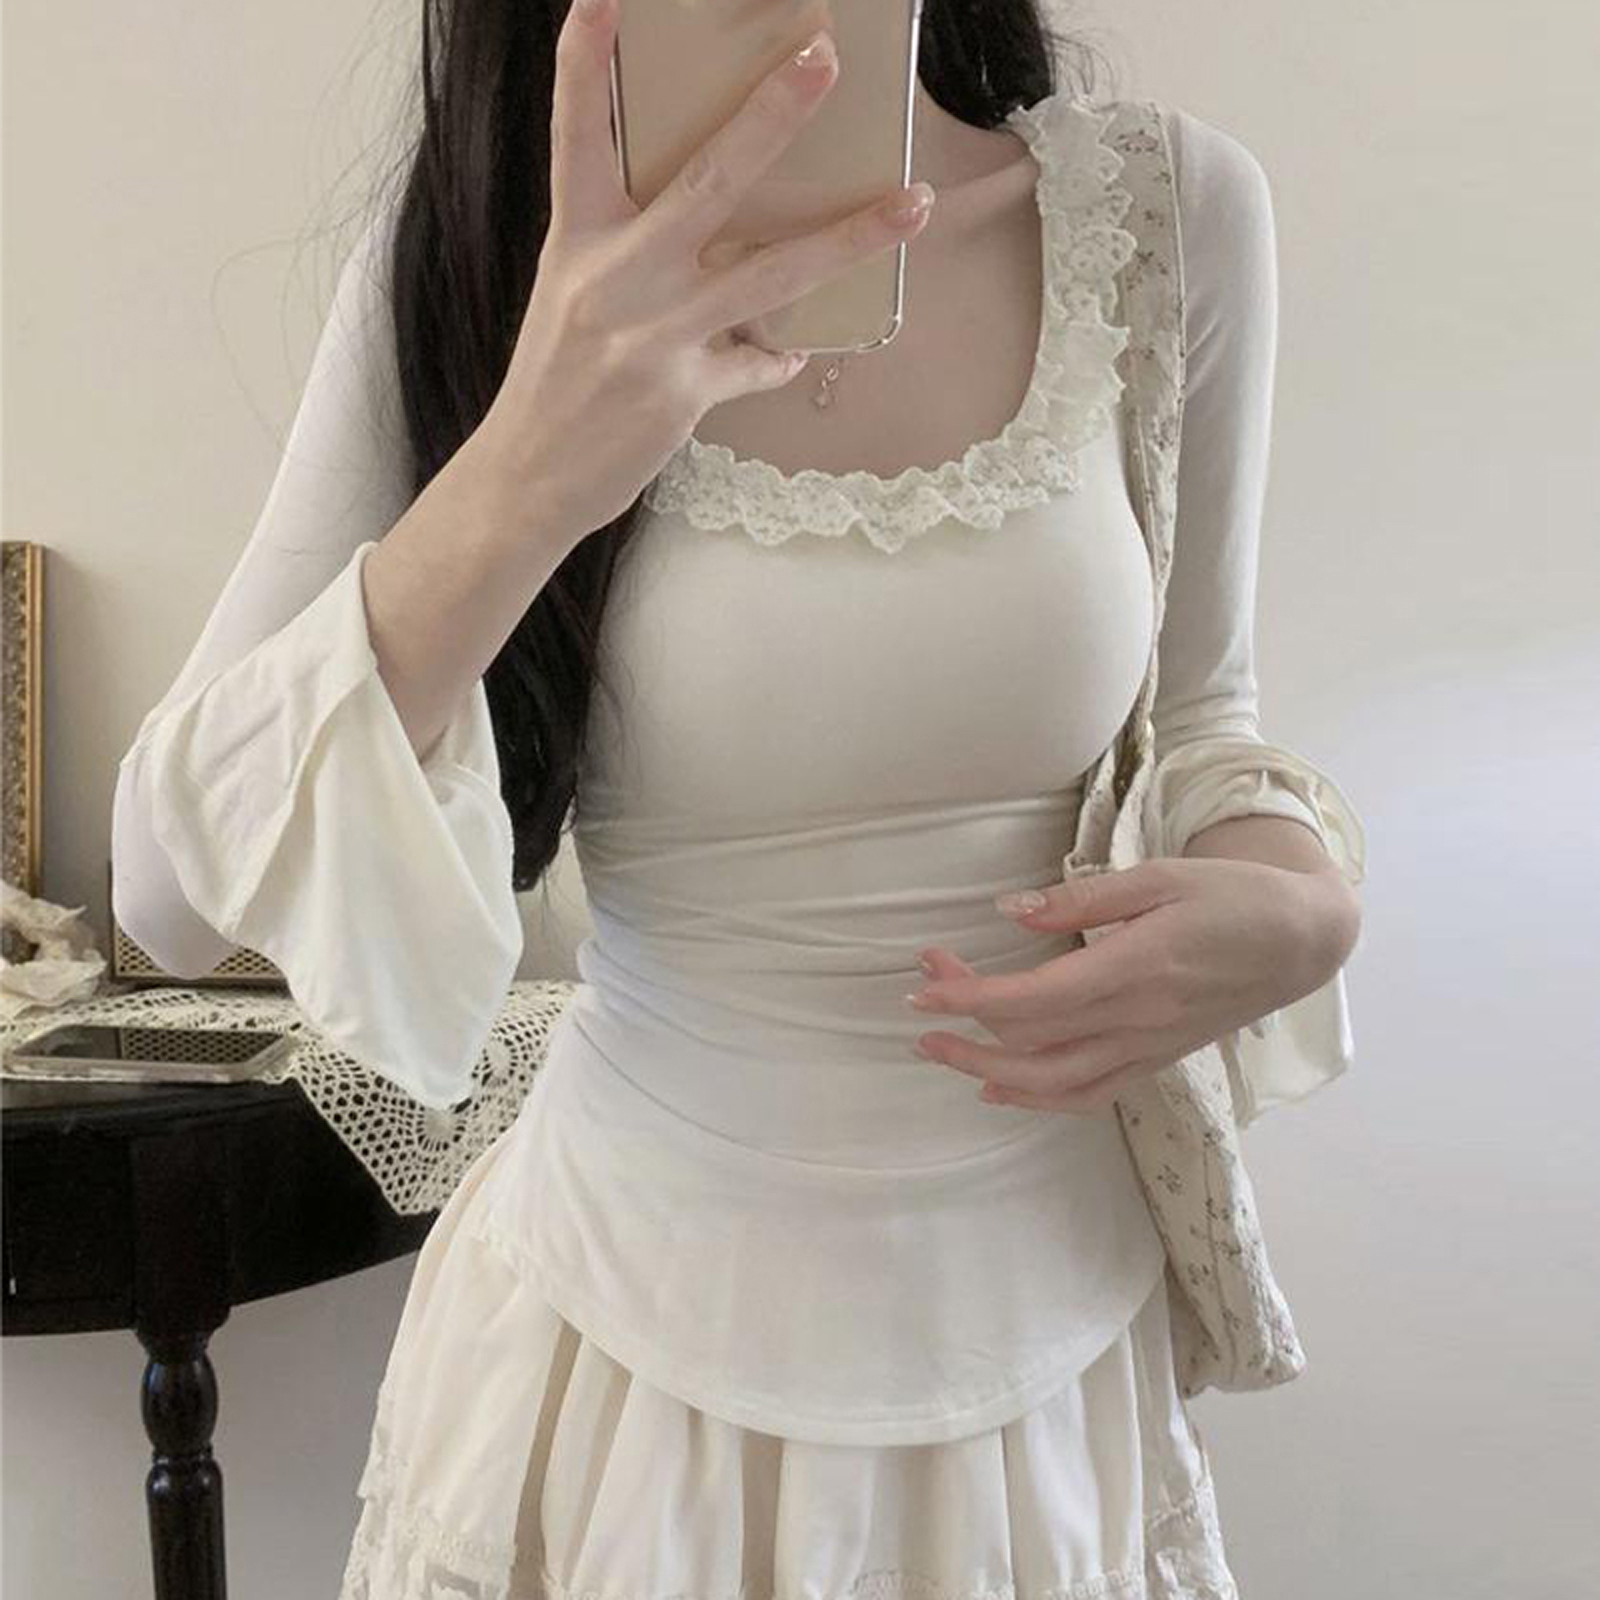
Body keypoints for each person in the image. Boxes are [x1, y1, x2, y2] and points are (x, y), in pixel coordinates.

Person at [111, 0, 1365, 1592]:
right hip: (618, 1373)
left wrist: (1303, 903)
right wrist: (531, 459)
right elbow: (165, 890)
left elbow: (1203, 722)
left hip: (1041, 1362)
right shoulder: (488, 254)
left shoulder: (1165, 216)